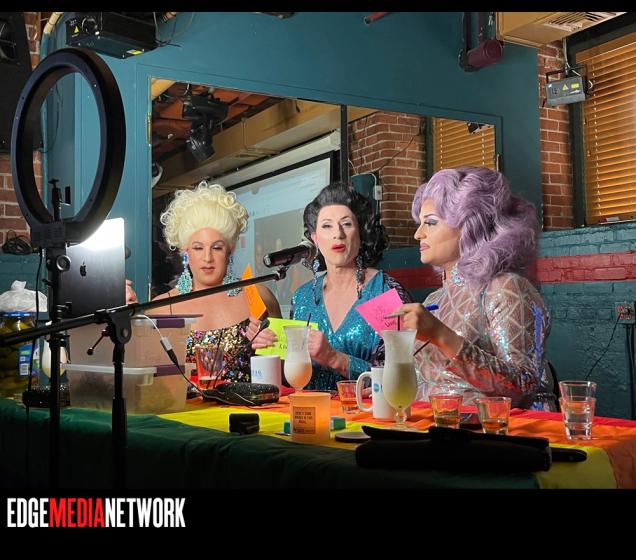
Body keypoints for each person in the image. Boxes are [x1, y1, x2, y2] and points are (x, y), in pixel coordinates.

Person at [395, 167, 557, 410]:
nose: (418, 234)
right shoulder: (433, 300)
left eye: (430, 223)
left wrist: (441, 336)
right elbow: (431, 381)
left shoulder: (504, 288)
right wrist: (388, 385)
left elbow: (524, 387)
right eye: (420, 224)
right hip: (436, 425)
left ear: (470, 226)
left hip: (497, 429)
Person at [250, 182, 413, 391]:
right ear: (315, 238)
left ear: (360, 234)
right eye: (327, 226)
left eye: (347, 224)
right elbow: (293, 379)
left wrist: (335, 358)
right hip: (309, 408)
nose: (338, 234)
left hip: (363, 410)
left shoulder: (383, 292)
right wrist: (269, 349)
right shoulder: (303, 297)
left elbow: (402, 378)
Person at [131, 181, 281, 382]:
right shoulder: (160, 309)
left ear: (230, 249)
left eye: (217, 247)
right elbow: (145, 381)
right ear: (185, 250)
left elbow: (284, 374)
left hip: (247, 403)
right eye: (198, 248)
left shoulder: (259, 297)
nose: (207, 258)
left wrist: (272, 348)